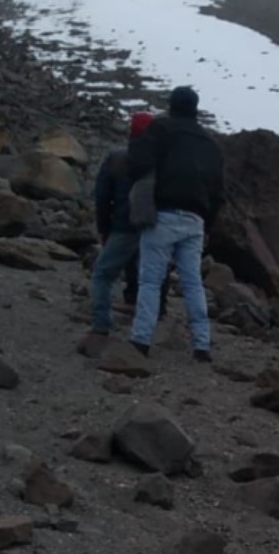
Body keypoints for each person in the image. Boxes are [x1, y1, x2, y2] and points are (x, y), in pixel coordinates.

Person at [127, 86, 226, 363]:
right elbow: (218, 191)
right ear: (195, 108)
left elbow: (138, 164)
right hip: (196, 219)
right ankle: (202, 345)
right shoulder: (210, 143)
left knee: (150, 279)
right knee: (193, 283)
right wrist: (209, 224)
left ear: (171, 105)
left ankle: (141, 340)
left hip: (164, 214)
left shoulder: (161, 130)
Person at [84, 112, 168, 341]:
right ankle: (151, 317)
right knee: (149, 274)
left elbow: (103, 198)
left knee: (103, 274)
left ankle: (101, 324)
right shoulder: (161, 164)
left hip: (123, 226)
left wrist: (104, 229)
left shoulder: (117, 159)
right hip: (152, 226)